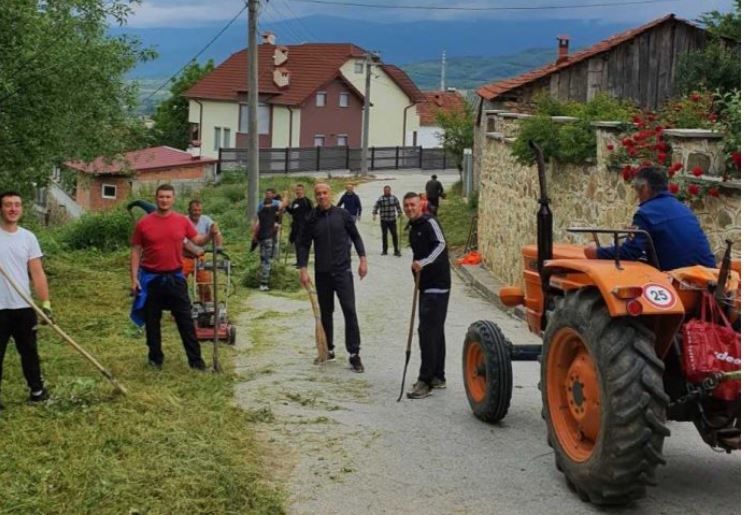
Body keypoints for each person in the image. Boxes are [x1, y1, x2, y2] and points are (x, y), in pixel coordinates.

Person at [130, 184, 217, 370]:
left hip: (175, 278)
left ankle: (196, 362)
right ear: (156, 198)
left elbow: (198, 241)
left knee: (185, 321)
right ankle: (155, 360)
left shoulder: (181, 221)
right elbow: (136, 251)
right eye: (161, 197)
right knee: (152, 322)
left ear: (173, 199)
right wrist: (134, 278)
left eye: (168, 197)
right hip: (151, 279)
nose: (164, 200)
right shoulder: (143, 223)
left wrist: (210, 234)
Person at [583, 167, 716, 271]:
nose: (637, 196)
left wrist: (597, 253)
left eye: (636, 190)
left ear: (644, 188)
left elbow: (630, 252)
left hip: (677, 280)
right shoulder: (684, 209)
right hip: (708, 274)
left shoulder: (646, 214)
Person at [298, 183, 368, 372]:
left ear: (330, 195)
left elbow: (356, 237)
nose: (322, 196)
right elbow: (303, 244)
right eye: (318, 194)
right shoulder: (311, 218)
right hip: (322, 274)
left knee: (349, 311)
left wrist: (363, 260)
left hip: (343, 272)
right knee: (326, 312)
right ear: (315, 197)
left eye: (325, 193)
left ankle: (354, 354)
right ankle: (328, 349)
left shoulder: (342, 215)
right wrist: (303, 268)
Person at [0, 191, 51, 408]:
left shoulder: (28, 237)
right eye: (8, 205)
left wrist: (46, 305)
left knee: (29, 351)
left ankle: (37, 391)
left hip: (23, 306)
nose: (13, 209)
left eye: (17, 205)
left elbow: (37, 273)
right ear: (1, 209)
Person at [402, 192, 451, 399]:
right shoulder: (414, 227)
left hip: (437, 285)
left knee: (426, 331)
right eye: (406, 206)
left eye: (412, 205)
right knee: (435, 330)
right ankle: (438, 376)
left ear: (420, 204)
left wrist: (423, 263)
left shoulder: (430, 222)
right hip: (425, 285)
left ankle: (425, 380)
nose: (409, 209)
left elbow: (441, 245)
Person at [182, 200, 223, 302]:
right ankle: (180, 309)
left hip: (200, 257)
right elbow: (182, 240)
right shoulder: (183, 220)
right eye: (194, 210)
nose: (197, 212)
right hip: (184, 257)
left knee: (205, 283)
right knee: (179, 284)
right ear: (189, 210)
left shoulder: (206, 220)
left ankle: (207, 306)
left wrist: (219, 246)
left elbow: (216, 232)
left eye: (199, 210)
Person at [256, 197, 281, 291]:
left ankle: (261, 279)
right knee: (267, 260)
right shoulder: (271, 210)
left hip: (261, 239)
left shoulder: (260, 212)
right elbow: (283, 205)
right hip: (268, 239)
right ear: (271, 204)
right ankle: (264, 283)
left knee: (263, 260)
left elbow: (256, 226)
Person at [284, 184, 313, 264]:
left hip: (305, 227)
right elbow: (292, 212)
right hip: (296, 226)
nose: (298, 191)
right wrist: (286, 206)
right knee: (297, 243)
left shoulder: (307, 201)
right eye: (297, 190)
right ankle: (299, 261)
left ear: (303, 190)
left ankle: (303, 262)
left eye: (300, 190)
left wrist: (309, 224)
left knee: (302, 244)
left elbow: (312, 213)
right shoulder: (295, 202)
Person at [372, 185, 403, 256]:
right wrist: (374, 214)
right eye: (385, 191)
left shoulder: (394, 198)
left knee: (394, 234)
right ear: (384, 191)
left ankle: (396, 250)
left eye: (388, 190)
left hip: (392, 219)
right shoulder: (381, 199)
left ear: (390, 190)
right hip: (384, 220)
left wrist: (400, 213)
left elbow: (398, 206)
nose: (386, 192)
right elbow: (376, 206)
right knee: (384, 235)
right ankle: (384, 250)